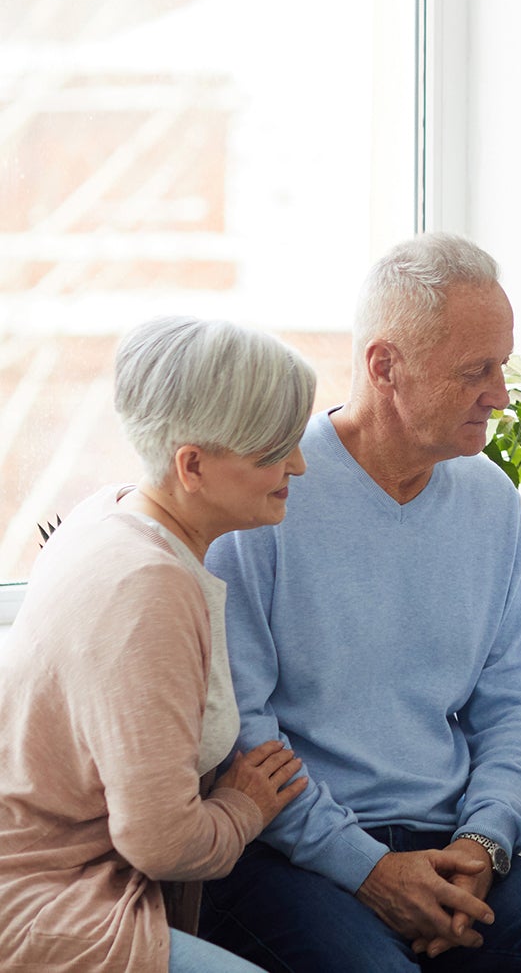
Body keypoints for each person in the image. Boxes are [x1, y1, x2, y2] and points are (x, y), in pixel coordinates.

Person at [200, 233, 521, 973]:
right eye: (475, 371)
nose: (502, 395)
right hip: (290, 854)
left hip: (450, 841)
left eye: (503, 366)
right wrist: (366, 869)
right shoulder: (268, 493)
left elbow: (514, 700)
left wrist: (482, 843)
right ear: (385, 366)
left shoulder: (489, 502)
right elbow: (242, 731)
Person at [0, 316, 316, 973]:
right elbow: (162, 843)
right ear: (192, 464)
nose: (299, 464)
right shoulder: (151, 587)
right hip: (47, 901)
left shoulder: (106, 511)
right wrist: (243, 806)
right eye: (272, 450)